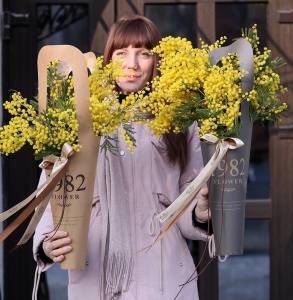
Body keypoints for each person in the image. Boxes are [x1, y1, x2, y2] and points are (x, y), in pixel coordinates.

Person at [33, 14, 211, 300]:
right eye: (122, 53)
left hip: (164, 272)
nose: (132, 64)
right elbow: (53, 192)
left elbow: (187, 195)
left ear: (156, 61)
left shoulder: (179, 119)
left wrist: (199, 214)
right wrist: (46, 244)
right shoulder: (80, 117)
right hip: (97, 270)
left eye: (144, 53)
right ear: (108, 59)